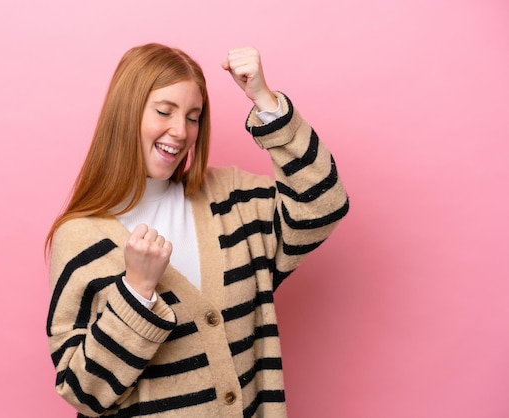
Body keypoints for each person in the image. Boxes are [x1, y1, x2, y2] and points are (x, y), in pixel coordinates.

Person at [45, 43, 349, 418]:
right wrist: (136, 293)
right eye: (164, 111)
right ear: (125, 113)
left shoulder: (233, 201)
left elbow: (323, 204)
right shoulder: (79, 237)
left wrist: (266, 103)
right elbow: (83, 392)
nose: (181, 131)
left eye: (193, 117)